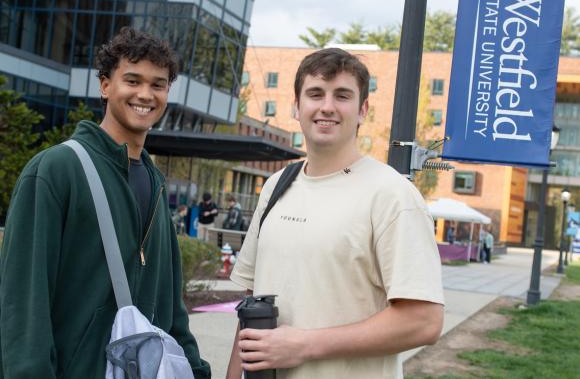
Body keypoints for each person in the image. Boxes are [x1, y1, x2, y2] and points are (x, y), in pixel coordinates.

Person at [0, 27, 211, 378]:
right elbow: (23, 304)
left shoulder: (155, 182)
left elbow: (173, 312)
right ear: (104, 85)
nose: (145, 94)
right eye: (132, 80)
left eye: (157, 84)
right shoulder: (56, 170)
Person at [226, 48, 444, 379]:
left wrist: (304, 345)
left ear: (363, 110)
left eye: (342, 96)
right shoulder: (275, 187)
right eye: (315, 94)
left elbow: (423, 321)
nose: (327, 106)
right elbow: (250, 313)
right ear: (296, 107)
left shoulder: (392, 196)